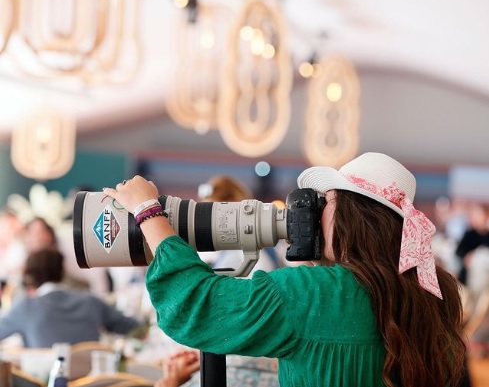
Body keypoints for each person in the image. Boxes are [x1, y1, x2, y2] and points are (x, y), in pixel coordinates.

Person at [104, 152, 466, 387]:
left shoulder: (311, 293)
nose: (317, 211)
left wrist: (149, 212)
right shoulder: (434, 292)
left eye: (329, 202)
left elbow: (195, 307)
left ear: (352, 218)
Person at [0, 249, 143, 348]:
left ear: (30, 276)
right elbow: (136, 328)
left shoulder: (25, 308)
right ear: (62, 271)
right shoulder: (91, 301)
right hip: (95, 382)